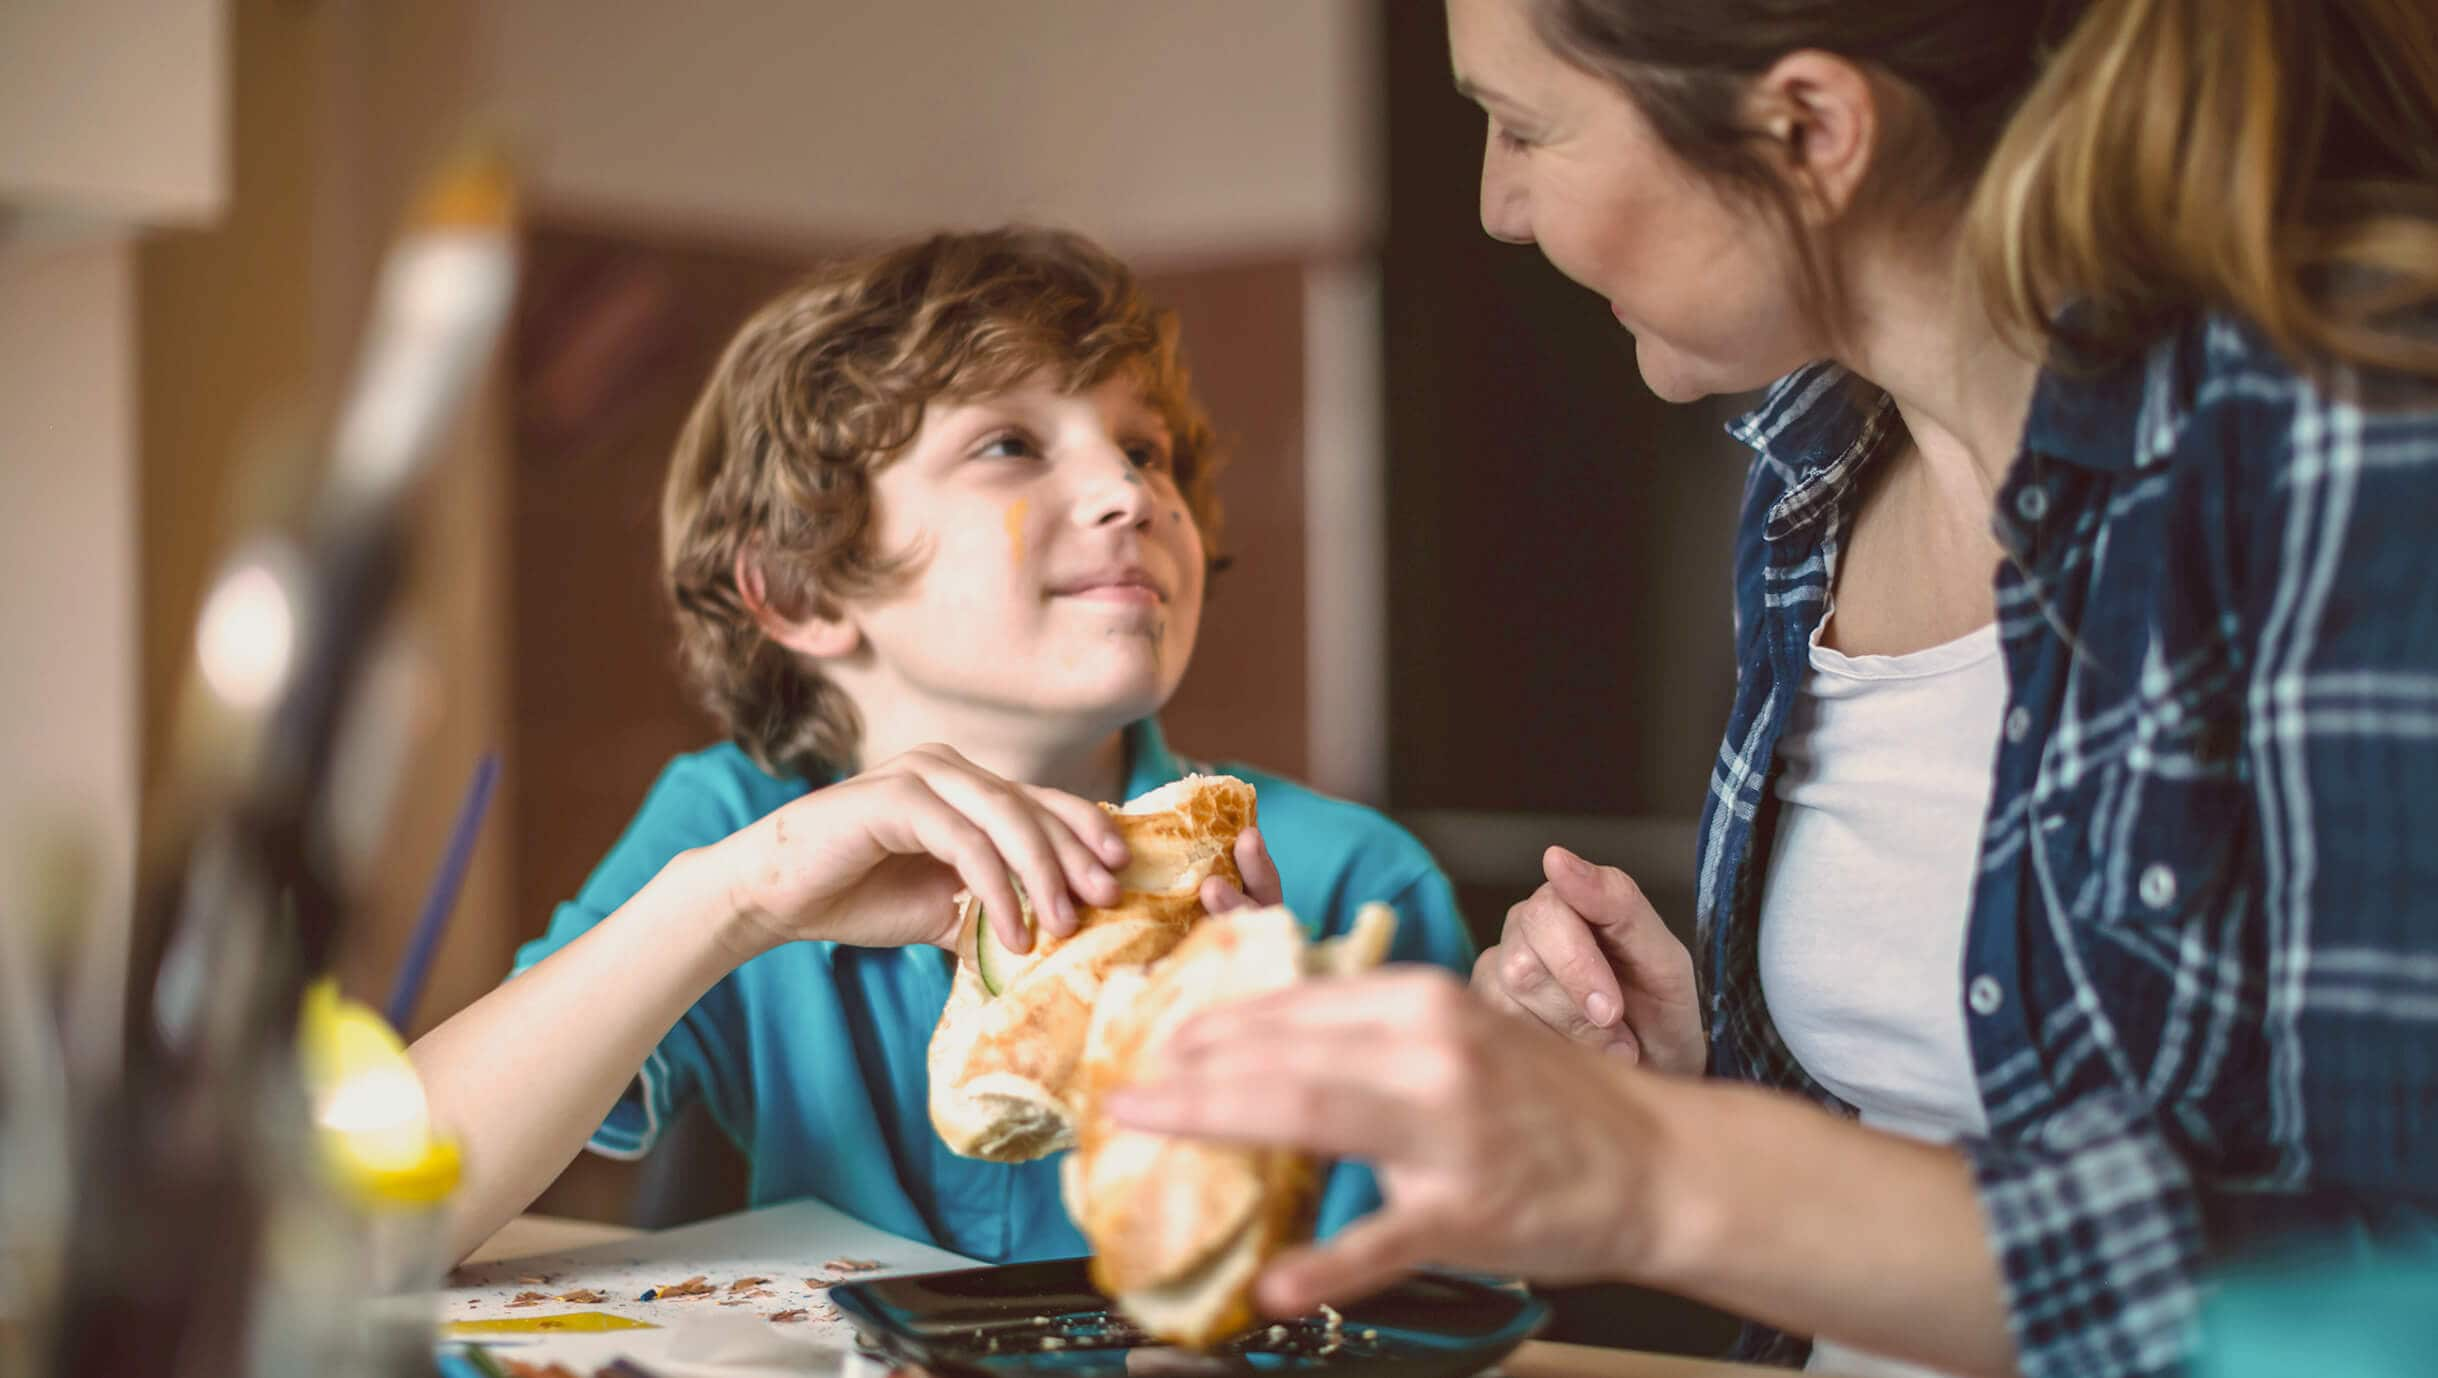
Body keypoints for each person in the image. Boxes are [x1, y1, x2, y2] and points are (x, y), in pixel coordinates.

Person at [1112, 3, 2438, 1376]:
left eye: (1523, 128)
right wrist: (1701, 1078)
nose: (1495, 206)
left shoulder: (2355, 453)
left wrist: (1666, 1168)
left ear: (1808, 130)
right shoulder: (1818, 477)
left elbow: (2394, 1297)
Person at [406, 228, 1475, 1267]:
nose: (1134, 493)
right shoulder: (735, 828)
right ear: (799, 587)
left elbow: (1448, 1286)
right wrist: (736, 901)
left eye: (1145, 450)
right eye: (1008, 445)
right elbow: (374, 1219)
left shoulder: (1349, 881)